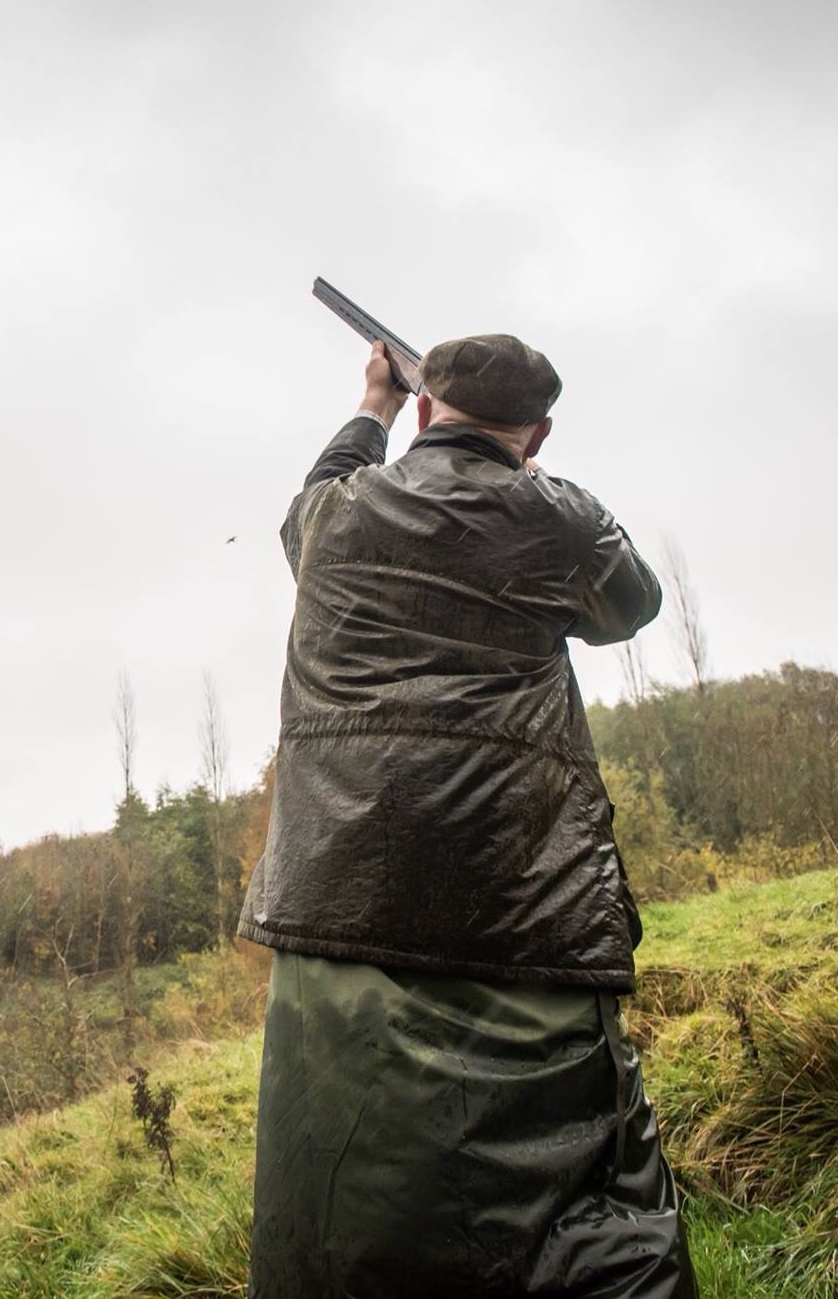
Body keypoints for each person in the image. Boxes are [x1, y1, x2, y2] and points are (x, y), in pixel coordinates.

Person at [239, 333, 697, 1297]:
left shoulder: (336, 512)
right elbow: (633, 605)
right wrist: (531, 480)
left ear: (418, 409)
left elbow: (307, 501)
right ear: (539, 432)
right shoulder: (556, 515)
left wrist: (368, 404)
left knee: (341, 1209)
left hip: (332, 916)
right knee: (571, 1198)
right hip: (521, 919)